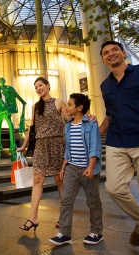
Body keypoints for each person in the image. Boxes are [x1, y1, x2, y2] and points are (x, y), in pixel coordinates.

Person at [99, 41, 139, 255]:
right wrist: (94, 134)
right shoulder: (105, 85)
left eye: (115, 50)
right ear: (103, 60)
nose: (111, 54)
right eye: (106, 52)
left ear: (123, 53)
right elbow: (110, 115)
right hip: (118, 140)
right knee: (113, 187)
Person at [49, 93, 103, 245]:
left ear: (79, 108)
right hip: (71, 167)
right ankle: (64, 233)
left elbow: (95, 146)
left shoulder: (91, 124)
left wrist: (91, 167)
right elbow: (68, 148)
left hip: (88, 168)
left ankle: (96, 232)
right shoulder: (68, 125)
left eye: (70, 104)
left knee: (93, 201)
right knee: (66, 200)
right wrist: (63, 166)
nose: (66, 107)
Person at [17, 76, 69, 231]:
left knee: (60, 180)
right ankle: (33, 218)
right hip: (41, 145)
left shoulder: (58, 102)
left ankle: (65, 216)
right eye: (36, 87)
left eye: (40, 85)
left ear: (48, 85)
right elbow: (31, 130)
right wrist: (23, 147)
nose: (38, 88)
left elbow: (71, 120)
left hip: (57, 145)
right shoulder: (35, 107)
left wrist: (87, 118)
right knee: (37, 179)